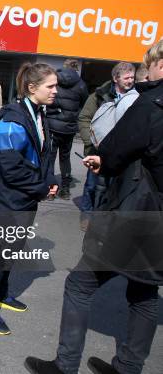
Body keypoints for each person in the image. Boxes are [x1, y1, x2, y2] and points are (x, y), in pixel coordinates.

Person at [24, 40, 163, 374]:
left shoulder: (153, 103)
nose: (148, 71)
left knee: (80, 284)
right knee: (145, 290)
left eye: (152, 64)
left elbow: (117, 147)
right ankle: (128, 367)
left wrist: (103, 160)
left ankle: (66, 364)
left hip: (138, 209)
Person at [0, 63, 58, 336]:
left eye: (56, 86)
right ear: (32, 88)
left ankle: (1, 295)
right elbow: (10, 166)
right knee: (3, 252)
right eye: (51, 86)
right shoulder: (13, 117)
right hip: (12, 197)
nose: (55, 91)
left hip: (27, 194)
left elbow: (43, 154)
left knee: (13, 248)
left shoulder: (37, 112)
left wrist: (50, 180)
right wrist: (41, 187)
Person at [77, 62, 135, 219]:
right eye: (126, 78)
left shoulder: (136, 97)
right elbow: (84, 118)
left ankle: (103, 219)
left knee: (113, 187)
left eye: (132, 77)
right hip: (96, 150)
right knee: (91, 185)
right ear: (116, 78)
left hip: (119, 152)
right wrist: (90, 141)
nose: (130, 81)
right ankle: (86, 215)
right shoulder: (98, 96)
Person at [45, 59, 88, 200]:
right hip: (69, 128)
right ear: (76, 69)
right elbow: (84, 105)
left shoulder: (54, 80)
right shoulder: (81, 85)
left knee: (50, 157)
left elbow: (47, 97)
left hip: (52, 125)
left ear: (64, 68)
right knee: (65, 158)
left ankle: (51, 190)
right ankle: (65, 189)